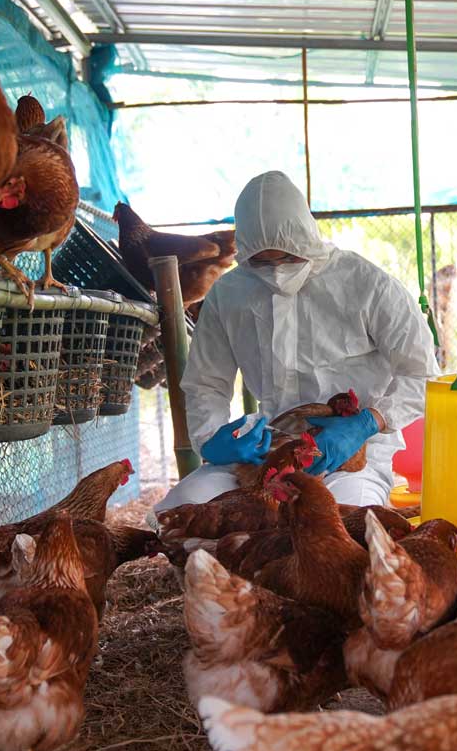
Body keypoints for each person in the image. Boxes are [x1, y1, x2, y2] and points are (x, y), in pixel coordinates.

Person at [152, 170, 437, 516]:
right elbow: (205, 382)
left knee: (346, 521)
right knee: (183, 510)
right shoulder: (229, 295)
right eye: (261, 261)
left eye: (287, 256)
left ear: (306, 240)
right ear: (246, 254)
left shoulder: (367, 285)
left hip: (353, 453)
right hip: (268, 448)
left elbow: (424, 374)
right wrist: (211, 439)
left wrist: (367, 423)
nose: (276, 270)